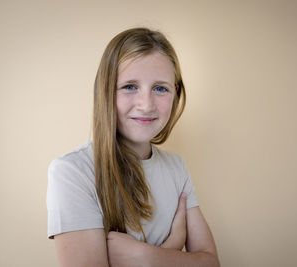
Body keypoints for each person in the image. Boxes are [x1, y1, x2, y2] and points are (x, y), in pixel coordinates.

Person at [46, 27, 220, 266]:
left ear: (175, 93)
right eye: (130, 86)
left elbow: (211, 262)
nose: (146, 105)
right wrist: (175, 250)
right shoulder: (73, 171)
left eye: (160, 88)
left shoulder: (177, 167)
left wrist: (146, 257)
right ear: (106, 91)